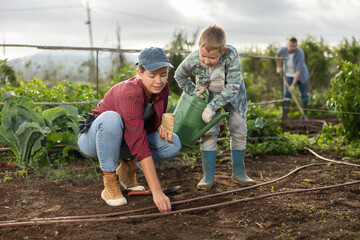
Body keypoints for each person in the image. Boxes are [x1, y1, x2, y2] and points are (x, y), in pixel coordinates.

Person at [78, 47, 181, 213]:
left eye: (163, 74)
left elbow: (145, 125)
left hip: (123, 142)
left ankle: (126, 170)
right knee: (111, 118)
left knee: (172, 143)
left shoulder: (162, 89)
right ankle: (110, 182)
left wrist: (161, 125)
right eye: (152, 75)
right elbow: (139, 142)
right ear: (139, 73)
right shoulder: (130, 93)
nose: (158, 81)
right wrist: (157, 192)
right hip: (95, 140)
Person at [174, 24, 255, 190]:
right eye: (204, 56)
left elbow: (233, 87)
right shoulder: (195, 58)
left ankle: (239, 173)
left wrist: (213, 107)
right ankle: (208, 177)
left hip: (233, 98)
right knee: (209, 133)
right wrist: (194, 91)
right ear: (199, 48)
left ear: (223, 51)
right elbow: (179, 75)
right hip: (208, 97)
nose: (206, 61)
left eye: (212, 58)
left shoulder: (231, 55)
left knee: (239, 131)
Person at [276, 37, 309, 118]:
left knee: (303, 94)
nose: (292, 48)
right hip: (288, 75)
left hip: (301, 76)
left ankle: (304, 114)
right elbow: (277, 55)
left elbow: (299, 71)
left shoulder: (300, 53)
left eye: (294, 46)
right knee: (287, 95)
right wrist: (279, 67)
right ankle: (284, 116)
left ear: (297, 45)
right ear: (288, 44)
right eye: (291, 46)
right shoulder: (283, 50)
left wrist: (293, 85)